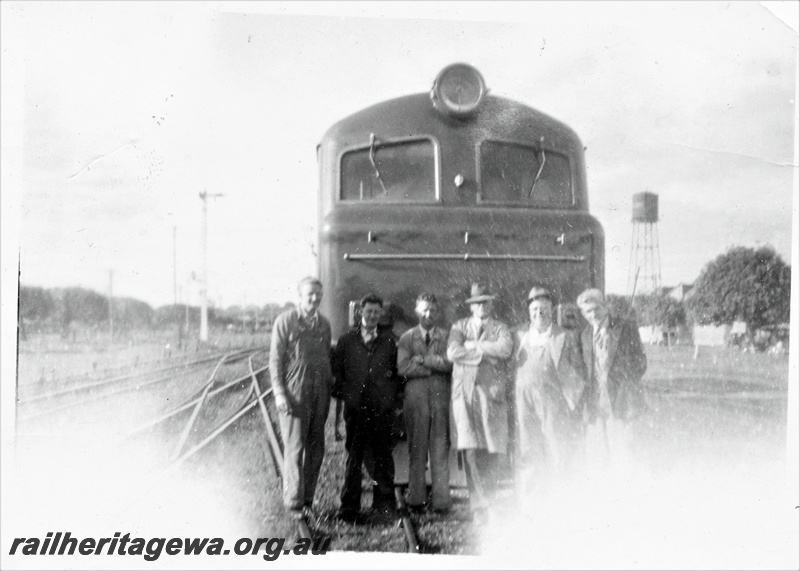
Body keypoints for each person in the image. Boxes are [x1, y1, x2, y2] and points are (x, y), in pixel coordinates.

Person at [446, 283, 514, 523]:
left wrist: (473, 347)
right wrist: (487, 354)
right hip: (464, 397)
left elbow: (505, 348)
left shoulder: (500, 327)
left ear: (491, 304)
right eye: (477, 302)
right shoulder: (459, 326)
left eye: (485, 302)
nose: (481, 306)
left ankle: (491, 504)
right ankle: (478, 509)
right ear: (471, 306)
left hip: (491, 397)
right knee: (472, 452)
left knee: (492, 451)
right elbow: (453, 353)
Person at [332, 294, 401, 523]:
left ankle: (384, 505)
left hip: (380, 411)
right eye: (368, 311)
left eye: (376, 312)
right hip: (356, 411)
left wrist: (388, 400)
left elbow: (396, 376)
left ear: (381, 315)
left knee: (382, 457)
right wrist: (349, 398)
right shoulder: (346, 341)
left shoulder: (389, 342)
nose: (372, 316)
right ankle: (349, 508)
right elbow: (338, 375)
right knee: (354, 459)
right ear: (360, 312)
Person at [513, 286, 586, 497]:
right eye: (534, 310)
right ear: (529, 312)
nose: (539, 314)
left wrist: (571, 397)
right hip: (523, 401)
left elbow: (579, 369)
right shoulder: (519, 335)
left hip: (553, 401)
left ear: (551, 310)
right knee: (528, 449)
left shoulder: (565, 336)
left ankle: (559, 500)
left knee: (556, 448)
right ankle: (532, 502)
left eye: (543, 309)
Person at [269, 277, 332, 519]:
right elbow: (275, 359)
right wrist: (279, 392)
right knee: (295, 447)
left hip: (320, 391)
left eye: (318, 294)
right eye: (310, 294)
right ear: (300, 296)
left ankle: (308, 500)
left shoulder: (324, 324)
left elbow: (326, 354)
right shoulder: (285, 321)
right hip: (295, 391)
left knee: (317, 447)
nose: (315, 298)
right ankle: (294, 502)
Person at [576, 288, 647, 467]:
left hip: (624, 403)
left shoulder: (625, 328)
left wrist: (621, 380)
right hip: (597, 406)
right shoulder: (584, 336)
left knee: (626, 455)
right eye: (588, 311)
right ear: (583, 314)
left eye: (597, 309)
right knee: (601, 458)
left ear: (605, 307)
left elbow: (641, 364)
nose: (593, 314)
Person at [397, 293, 453, 513]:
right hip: (416, 400)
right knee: (417, 450)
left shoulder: (446, 336)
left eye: (432, 310)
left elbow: (450, 363)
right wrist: (432, 368)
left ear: (437, 313)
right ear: (417, 312)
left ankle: (441, 501)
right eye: (424, 310)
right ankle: (416, 499)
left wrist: (423, 361)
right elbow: (403, 367)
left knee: (440, 450)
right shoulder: (407, 338)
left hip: (439, 399)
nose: (429, 314)